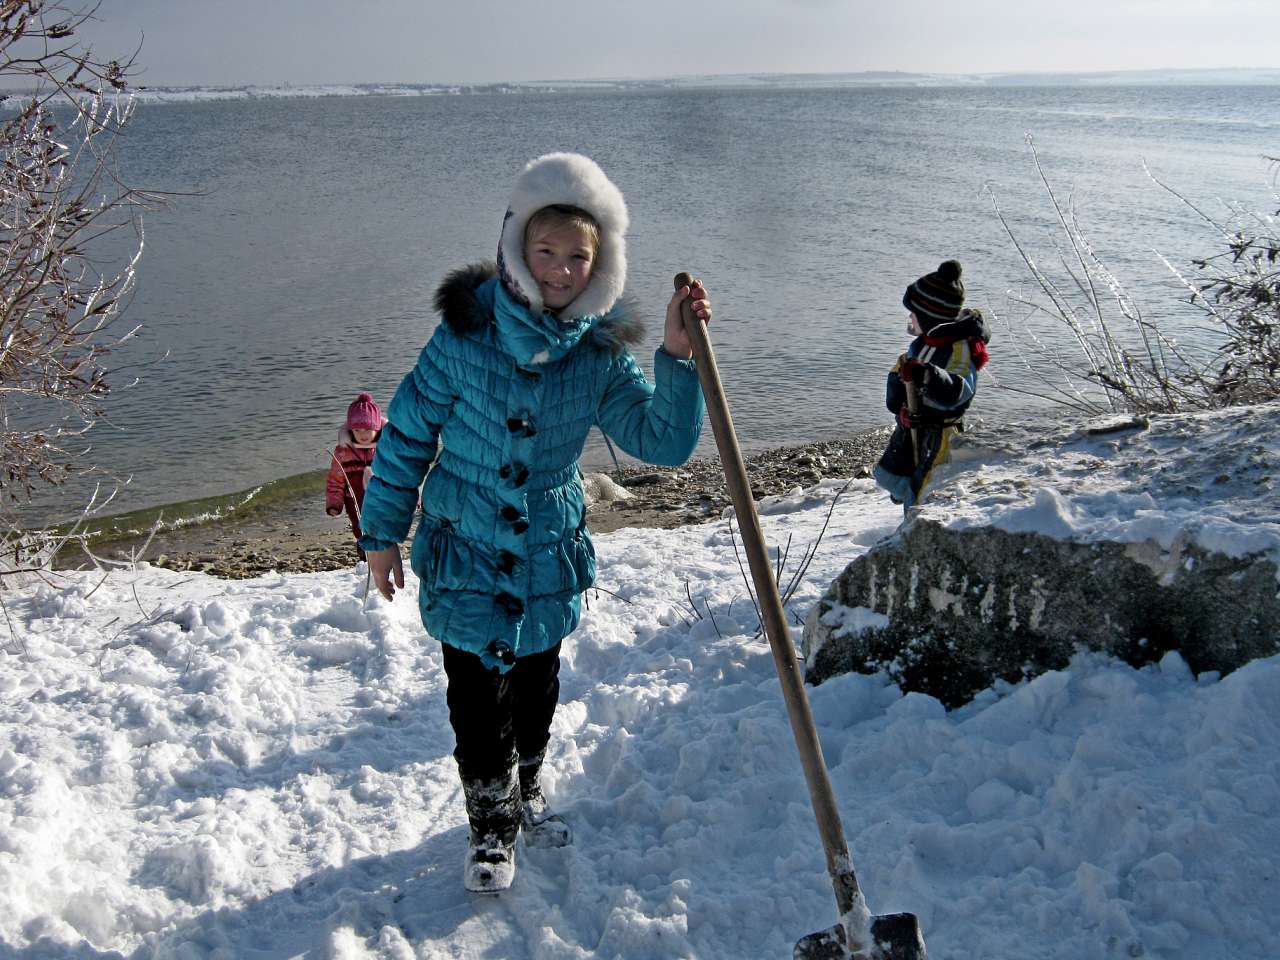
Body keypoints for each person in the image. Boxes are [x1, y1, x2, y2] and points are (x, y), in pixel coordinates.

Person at [357, 153, 711, 893]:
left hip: (546, 551)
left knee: (536, 688)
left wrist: (677, 355)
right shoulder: (463, 338)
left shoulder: (599, 353)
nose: (560, 269)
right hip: (466, 547)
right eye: (545, 250)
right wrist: (382, 536)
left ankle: (527, 786)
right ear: (516, 246)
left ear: (599, 263)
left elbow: (662, 441)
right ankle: (490, 828)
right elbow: (406, 438)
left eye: (577, 256)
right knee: (474, 699)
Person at [873, 259, 990, 511]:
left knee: (924, 488)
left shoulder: (959, 350)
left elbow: (958, 390)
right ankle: (908, 515)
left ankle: (916, 524)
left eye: (913, 313)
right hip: (915, 425)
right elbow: (902, 379)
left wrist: (927, 374)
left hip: (941, 433)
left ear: (929, 318)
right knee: (898, 475)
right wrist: (902, 407)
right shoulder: (924, 344)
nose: (909, 318)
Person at [325, 392, 386, 562]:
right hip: (354, 501)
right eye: (357, 430)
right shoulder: (343, 453)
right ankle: (365, 559)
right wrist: (334, 504)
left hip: (383, 499)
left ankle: (385, 557)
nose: (362, 435)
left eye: (367, 430)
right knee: (360, 530)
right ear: (350, 430)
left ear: (377, 428)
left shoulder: (386, 449)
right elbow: (335, 480)